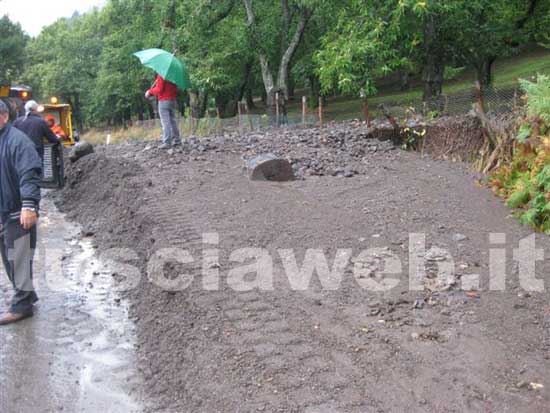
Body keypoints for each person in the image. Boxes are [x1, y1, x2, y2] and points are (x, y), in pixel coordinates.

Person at [0, 99, 42, 325]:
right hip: (4, 212)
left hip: (19, 211)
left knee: (18, 257)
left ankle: (22, 305)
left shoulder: (17, 142)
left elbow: (30, 175)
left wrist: (28, 205)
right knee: (10, 259)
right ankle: (27, 294)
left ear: (4, 116)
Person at [145, 75, 182, 149]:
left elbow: (159, 89)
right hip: (173, 100)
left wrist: (149, 91)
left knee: (165, 122)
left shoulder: (162, 75)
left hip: (164, 101)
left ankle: (167, 142)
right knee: (172, 121)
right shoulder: (173, 75)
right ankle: (177, 140)